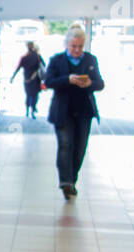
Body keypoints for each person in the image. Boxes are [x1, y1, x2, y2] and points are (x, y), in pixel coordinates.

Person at [43, 24, 104, 199]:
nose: (77, 50)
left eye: (80, 46)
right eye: (73, 46)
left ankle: (72, 180)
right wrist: (68, 79)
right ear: (67, 45)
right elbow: (49, 82)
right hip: (63, 112)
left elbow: (100, 83)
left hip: (84, 112)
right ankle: (65, 182)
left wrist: (89, 84)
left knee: (79, 149)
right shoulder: (56, 60)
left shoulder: (91, 60)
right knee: (65, 144)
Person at [10, 40, 46, 117]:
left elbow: (18, 68)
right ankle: (32, 111)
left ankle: (27, 111)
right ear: (33, 46)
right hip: (35, 79)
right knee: (35, 95)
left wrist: (12, 77)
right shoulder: (37, 56)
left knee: (28, 95)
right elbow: (44, 65)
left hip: (27, 80)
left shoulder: (24, 57)